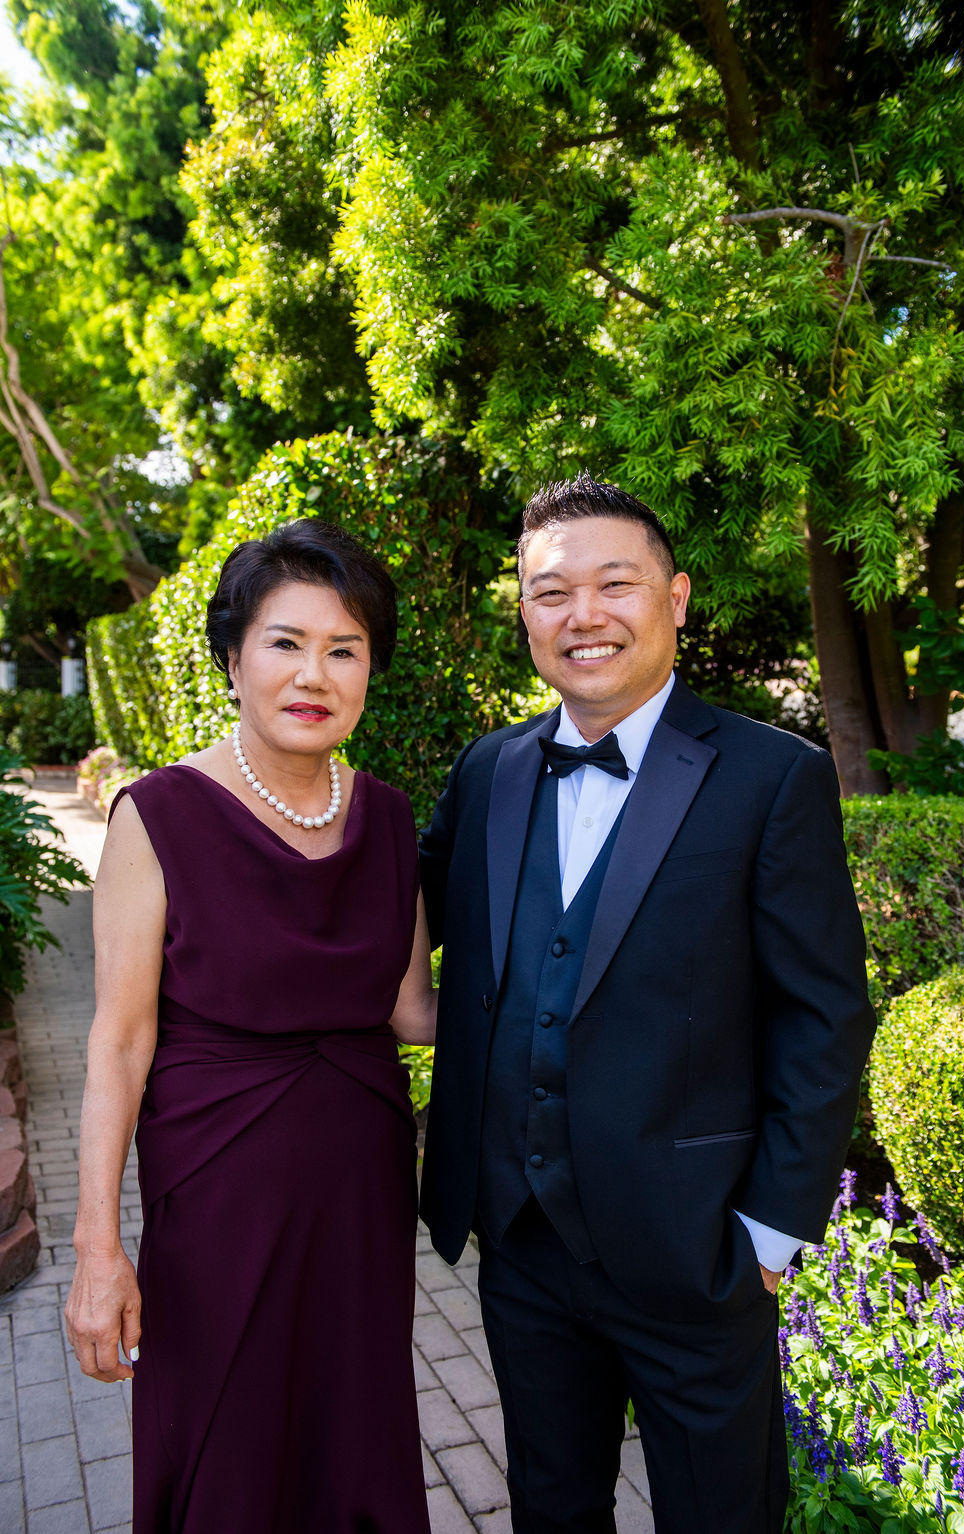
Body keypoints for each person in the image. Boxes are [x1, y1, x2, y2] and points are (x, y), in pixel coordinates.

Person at [418, 473, 876, 1534]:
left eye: (613, 584)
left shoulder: (772, 776)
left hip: (697, 1251)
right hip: (522, 1245)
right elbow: (383, 918)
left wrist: (771, 1232)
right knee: (551, 1507)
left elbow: (824, 1014)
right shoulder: (488, 771)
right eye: (551, 592)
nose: (582, 614)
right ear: (524, 612)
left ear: (674, 598)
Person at [65, 519, 434, 1534]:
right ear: (233, 659)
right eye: (285, 642)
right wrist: (98, 1249)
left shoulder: (390, 818)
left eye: (344, 649)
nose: (314, 673)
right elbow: (119, 1043)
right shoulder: (158, 815)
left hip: (361, 1197)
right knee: (227, 1451)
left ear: (369, 672)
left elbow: (411, 1011)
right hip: (218, 1195)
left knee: (351, 1441)